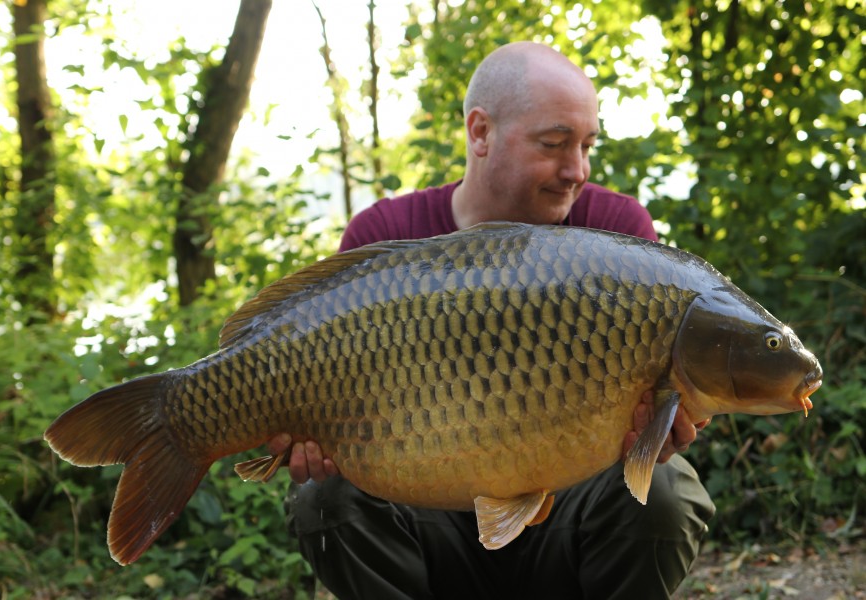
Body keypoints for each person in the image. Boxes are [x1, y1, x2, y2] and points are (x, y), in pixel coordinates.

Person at [269, 41, 716, 599]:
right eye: (554, 144)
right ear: (480, 133)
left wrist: (659, 435)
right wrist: (312, 439)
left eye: (586, 145)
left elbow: (649, 422)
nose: (575, 170)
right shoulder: (385, 237)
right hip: (429, 519)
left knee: (667, 491)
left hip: (574, 518)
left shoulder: (616, 230)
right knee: (325, 498)